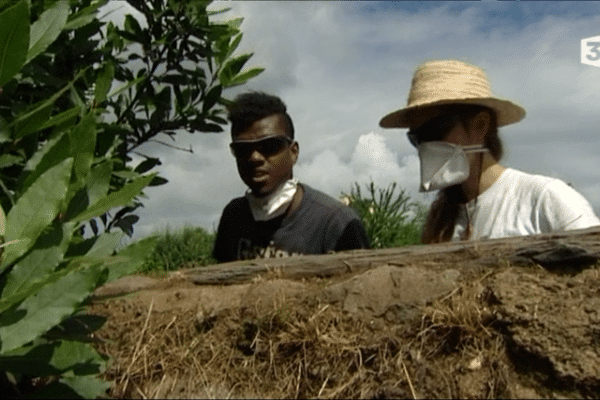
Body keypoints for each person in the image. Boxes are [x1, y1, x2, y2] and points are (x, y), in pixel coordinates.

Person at [379, 59, 600, 243]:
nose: (426, 146)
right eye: (417, 137)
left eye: (435, 129)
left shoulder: (546, 199)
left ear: (480, 126)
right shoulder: (440, 222)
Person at [213, 92, 370, 262]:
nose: (255, 158)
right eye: (242, 149)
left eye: (269, 145)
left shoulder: (336, 223)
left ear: (293, 152)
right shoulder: (234, 217)